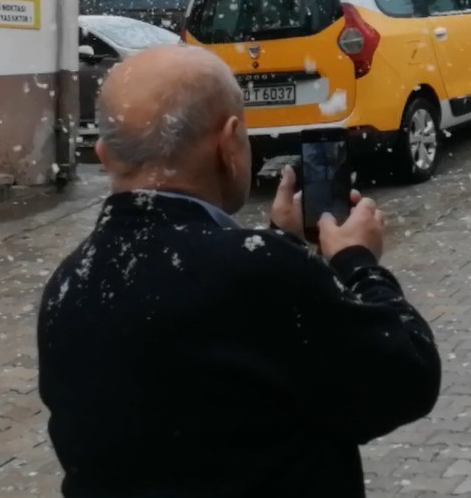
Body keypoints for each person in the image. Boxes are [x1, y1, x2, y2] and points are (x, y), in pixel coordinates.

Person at [37, 46, 441, 498]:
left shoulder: (70, 282)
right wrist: (358, 262)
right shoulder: (261, 273)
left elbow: (213, 371)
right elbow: (408, 376)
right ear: (229, 144)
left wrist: (278, 243)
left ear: (105, 155)